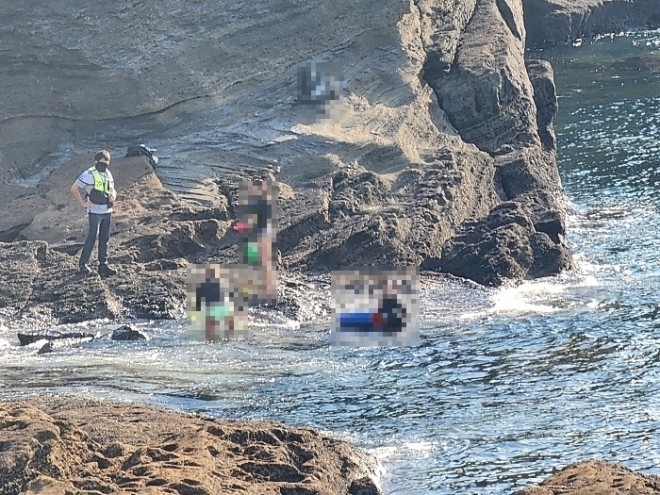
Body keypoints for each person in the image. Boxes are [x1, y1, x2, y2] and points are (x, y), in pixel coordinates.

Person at [70, 150, 117, 277]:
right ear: (96, 162)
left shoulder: (108, 174)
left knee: (104, 238)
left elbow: (113, 190)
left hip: (107, 209)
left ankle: (103, 265)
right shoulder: (88, 174)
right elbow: (74, 188)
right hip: (94, 211)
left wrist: (113, 196)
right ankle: (83, 264)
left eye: (106, 164)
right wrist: (82, 203)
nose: (104, 167)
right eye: (101, 164)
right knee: (92, 236)